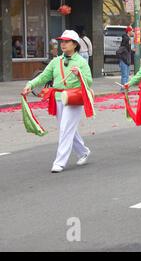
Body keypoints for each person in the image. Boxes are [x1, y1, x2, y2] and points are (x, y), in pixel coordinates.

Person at [21, 30, 92, 173]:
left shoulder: (81, 62)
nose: (63, 44)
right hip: (58, 98)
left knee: (65, 128)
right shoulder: (56, 61)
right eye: (62, 41)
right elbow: (43, 77)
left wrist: (79, 75)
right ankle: (83, 151)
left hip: (74, 99)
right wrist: (30, 85)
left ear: (75, 44)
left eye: (66, 41)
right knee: (66, 128)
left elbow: (89, 82)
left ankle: (59, 162)